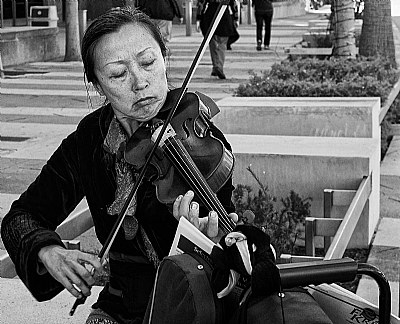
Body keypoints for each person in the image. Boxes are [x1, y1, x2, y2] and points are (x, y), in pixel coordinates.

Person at [0, 7, 238, 324]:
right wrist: (49, 253)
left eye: (149, 63)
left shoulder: (198, 134)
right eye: (117, 74)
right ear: (98, 86)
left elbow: (225, 244)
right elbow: (21, 218)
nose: (140, 82)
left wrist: (199, 242)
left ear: (164, 58)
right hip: (122, 307)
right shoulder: (89, 140)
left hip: (194, 304)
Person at [196, 0, 239, 79]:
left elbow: (201, 4)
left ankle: (216, 66)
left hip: (210, 17)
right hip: (224, 16)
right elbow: (234, 4)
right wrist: (236, 18)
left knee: (212, 43)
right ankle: (219, 66)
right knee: (222, 44)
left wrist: (198, 18)